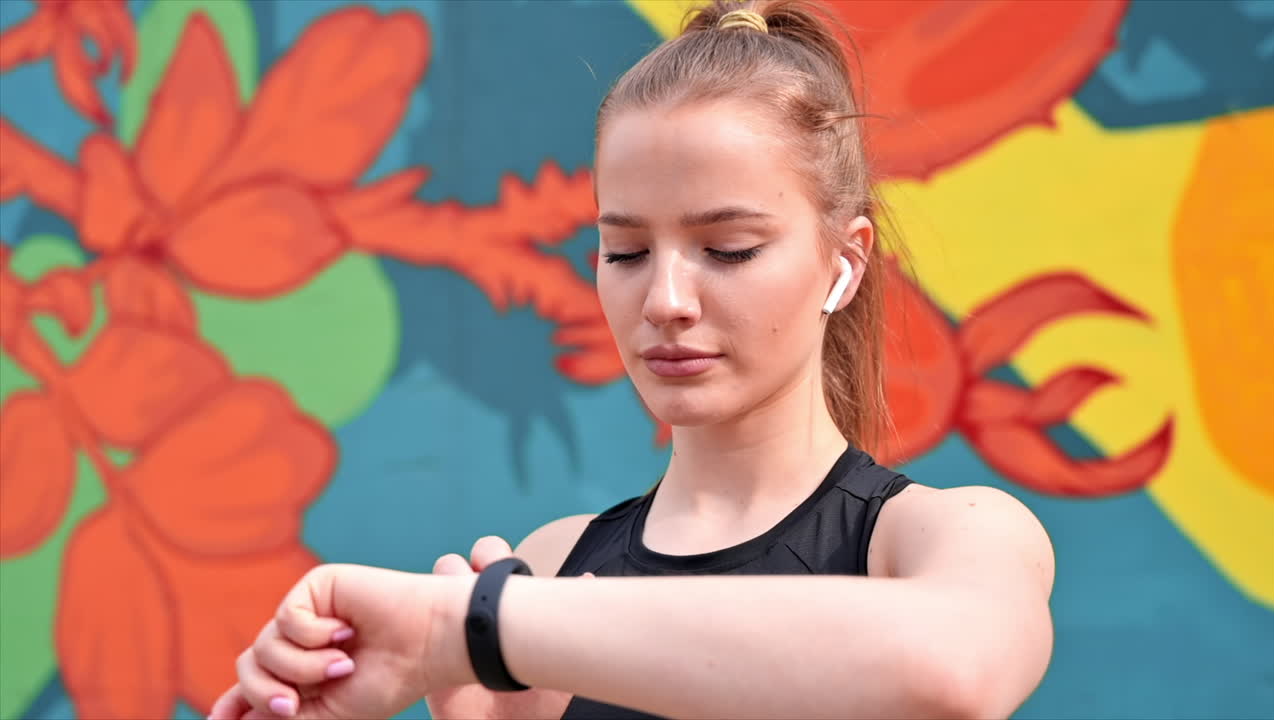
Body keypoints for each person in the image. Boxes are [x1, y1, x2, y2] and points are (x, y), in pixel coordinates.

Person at [209, 1, 1055, 718]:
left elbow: (955, 667)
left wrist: (467, 633)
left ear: (845, 261)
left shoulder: (941, 536)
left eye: (726, 248)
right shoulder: (545, 571)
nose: (665, 301)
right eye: (625, 252)